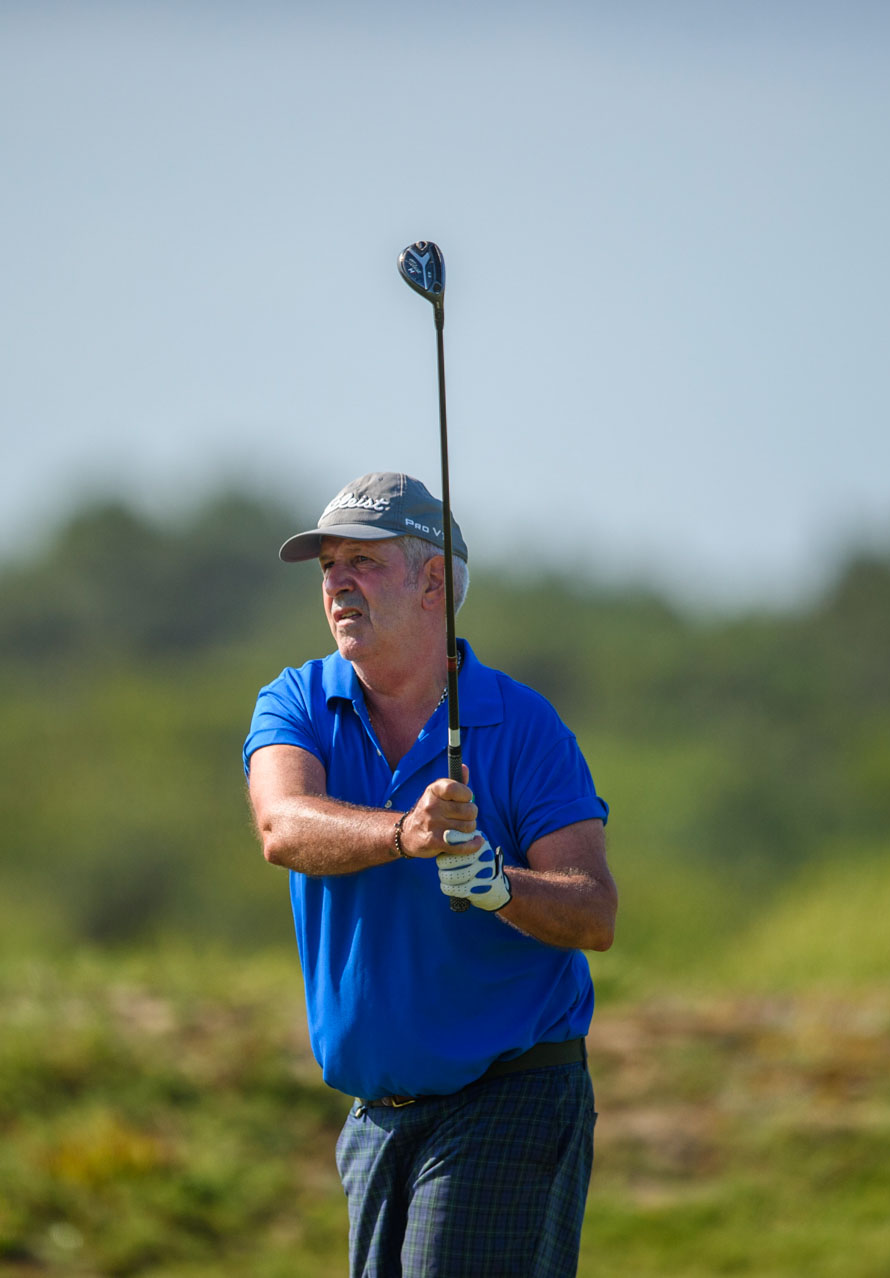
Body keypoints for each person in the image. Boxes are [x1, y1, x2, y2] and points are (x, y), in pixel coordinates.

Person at [243, 472, 618, 1277]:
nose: (338, 582)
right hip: (375, 1117)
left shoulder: (524, 724)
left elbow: (593, 912)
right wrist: (405, 834)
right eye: (328, 566)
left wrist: (498, 886)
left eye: (364, 562)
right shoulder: (297, 700)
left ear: (433, 583)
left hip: (509, 1094)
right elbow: (283, 826)